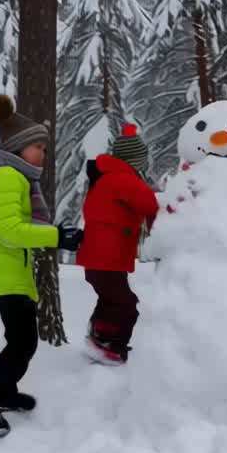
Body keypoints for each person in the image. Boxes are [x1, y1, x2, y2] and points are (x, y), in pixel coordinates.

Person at [0, 94, 82, 436]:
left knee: (20, 340)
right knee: (22, 342)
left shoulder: (13, 177)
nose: (43, 153)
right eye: (38, 146)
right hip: (4, 271)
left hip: (9, 270)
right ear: (17, 147)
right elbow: (10, 231)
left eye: (44, 147)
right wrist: (56, 236)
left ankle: (3, 392)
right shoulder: (6, 177)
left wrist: (55, 236)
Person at [77, 123, 159, 365]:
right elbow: (151, 205)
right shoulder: (124, 180)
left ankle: (99, 338)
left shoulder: (107, 178)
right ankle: (110, 347)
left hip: (98, 258)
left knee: (110, 300)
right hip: (107, 258)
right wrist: (165, 231)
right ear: (135, 160)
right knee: (126, 305)